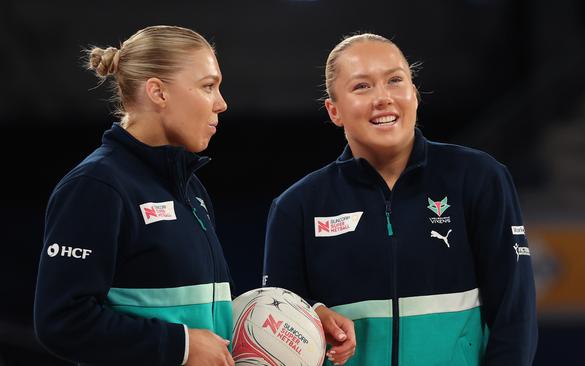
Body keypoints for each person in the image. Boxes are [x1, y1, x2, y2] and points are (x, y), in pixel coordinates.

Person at [263, 33, 537, 366]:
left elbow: (515, 315)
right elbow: (275, 325)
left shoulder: (478, 178)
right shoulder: (297, 207)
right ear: (334, 111)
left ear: (414, 94)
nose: (383, 98)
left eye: (395, 80)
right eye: (362, 86)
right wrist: (315, 314)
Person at [34, 25, 234, 366]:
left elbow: (197, 314)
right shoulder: (96, 186)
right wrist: (180, 346)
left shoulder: (192, 189)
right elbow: (61, 320)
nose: (222, 104)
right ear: (158, 92)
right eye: (208, 87)